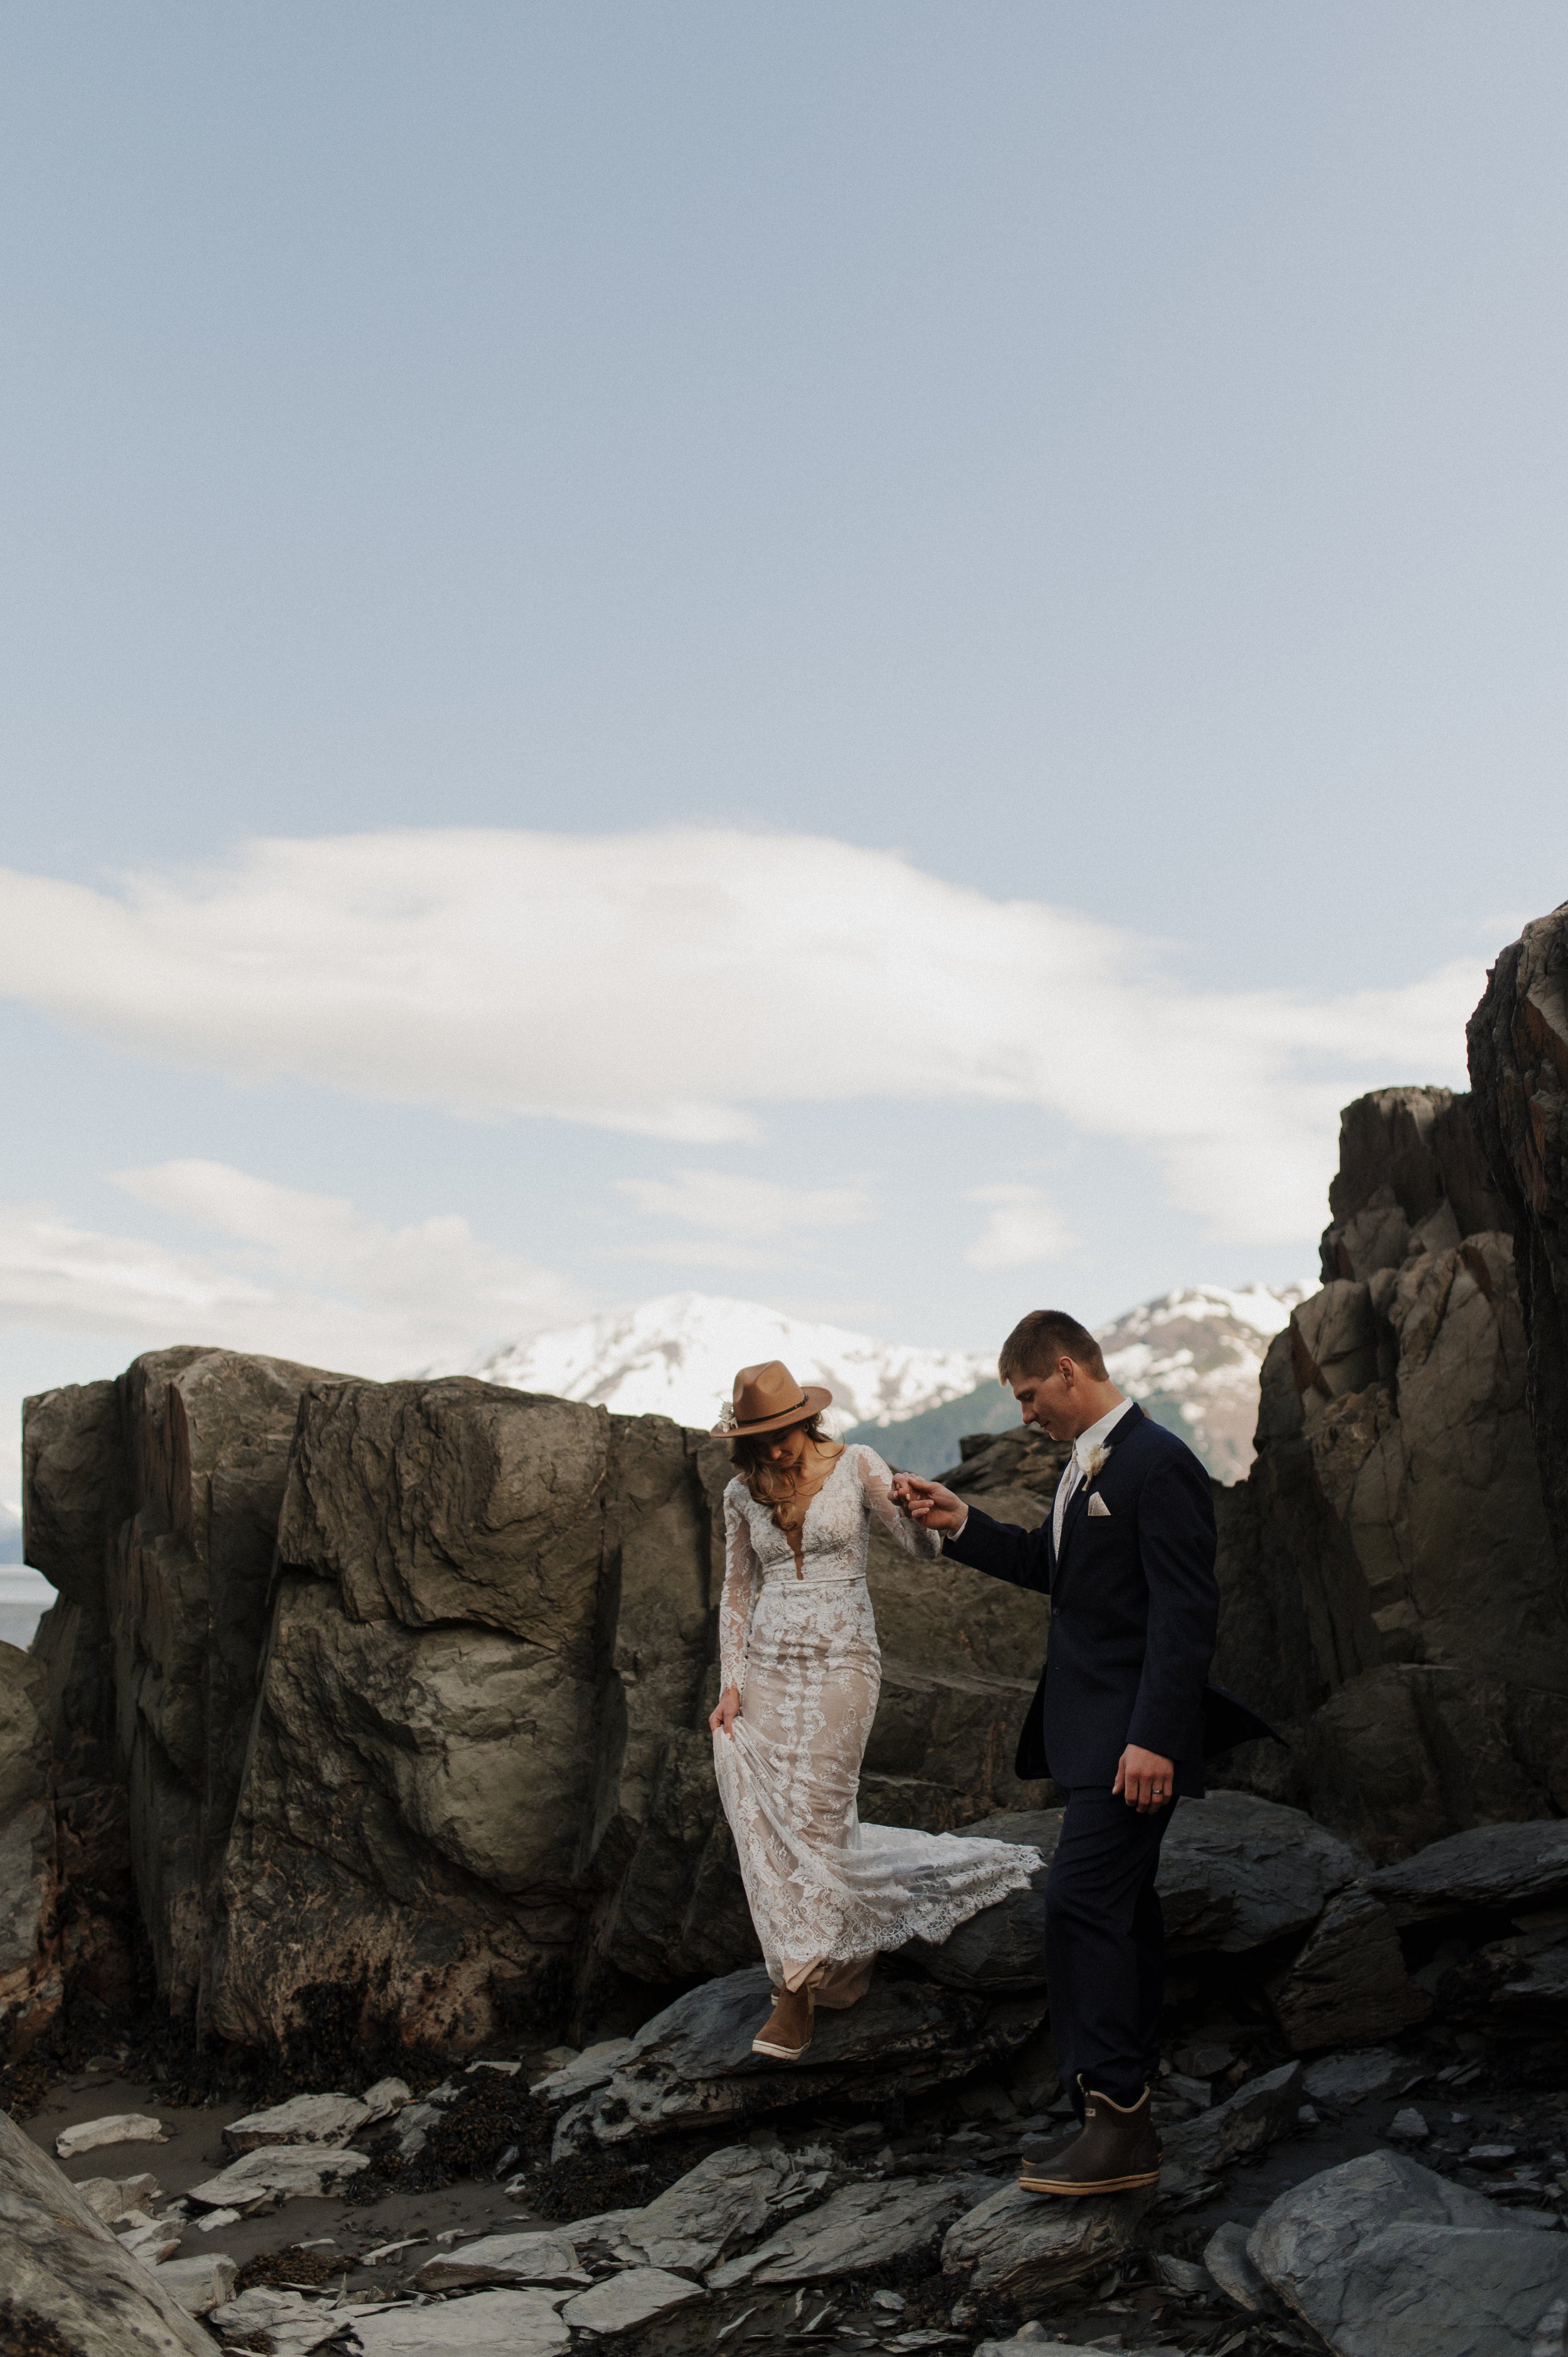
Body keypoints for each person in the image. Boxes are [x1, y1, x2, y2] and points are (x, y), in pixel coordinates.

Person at [895, 1309, 1273, 2200]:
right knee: (1121, 1909)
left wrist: (1151, 1736)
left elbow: (1186, 1614)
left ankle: (1116, 2118)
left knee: (1080, 1903)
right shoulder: (1083, 1465)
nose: (1025, 1413)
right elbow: (1055, 1570)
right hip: (1092, 1737)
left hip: (1131, 1741)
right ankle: (1118, 2109)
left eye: (1030, 1395)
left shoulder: (1158, 1461)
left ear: (1068, 1371)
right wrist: (962, 1522)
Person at [709, 1358, 1042, 2062]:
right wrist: (730, 1684)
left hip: (843, 1663)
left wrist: (918, 1509)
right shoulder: (741, 1494)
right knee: (765, 1814)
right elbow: (737, 1592)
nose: (776, 1449)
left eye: (785, 1431)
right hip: (768, 1664)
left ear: (806, 1418)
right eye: (761, 1438)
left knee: (822, 1817)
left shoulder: (858, 1462)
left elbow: (920, 1551)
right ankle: (811, 1979)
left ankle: (801, 1988)